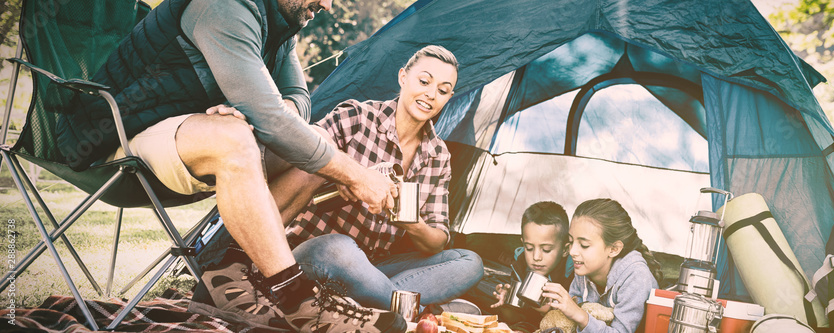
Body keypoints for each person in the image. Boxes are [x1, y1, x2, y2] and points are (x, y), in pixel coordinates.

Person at [61, 0, 406, 332]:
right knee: (236, 136)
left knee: (317, 143)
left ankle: (226, 274)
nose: (328, 5)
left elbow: (300, 103)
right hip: (118, 140)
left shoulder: (281, 26)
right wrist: (354, 174)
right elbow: (271, 118)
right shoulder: (223, 6)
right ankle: (298, 300)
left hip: (186, 138)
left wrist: (254, 109)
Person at [271, 45, 484, 311]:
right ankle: (410, 311)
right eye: (424, 81)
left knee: (468, 262)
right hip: (317, 252)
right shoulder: (358, 117)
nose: (430, 94)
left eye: (442, 90)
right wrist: (343, 175)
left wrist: (411, 221)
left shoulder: (438, 156)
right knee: (341, 247)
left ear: (449, 97)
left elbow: (438, 240)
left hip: (373, 267)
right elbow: (302, 148)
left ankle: (373, 302)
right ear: (403, 77)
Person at [541, 198, 663, 333]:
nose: (572, 251)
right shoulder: (583, 268)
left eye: (584, 245)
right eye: (571, 241)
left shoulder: (636, 276)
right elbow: (569, 325)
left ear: (614, 249)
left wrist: (580, 315)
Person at [490, 201, 574, 331]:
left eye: (546, 249)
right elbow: (515, 319)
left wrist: (547, 311)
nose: (536, 257)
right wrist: (506, 303)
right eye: (529, 248)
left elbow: (573, 323)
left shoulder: (572, 274)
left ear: (565, 249)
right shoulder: (521, 266)